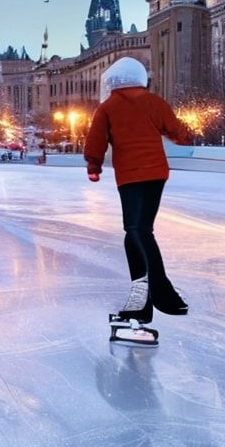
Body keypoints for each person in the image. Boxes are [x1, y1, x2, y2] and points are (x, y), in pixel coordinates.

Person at [83, 57, 194, 323]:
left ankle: (153, 295)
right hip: (156, 174)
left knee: (136, 230)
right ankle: (158, 295)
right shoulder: (154, 102)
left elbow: (96, 140)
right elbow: (177, 131)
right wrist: (185, 136)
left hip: (130, 177)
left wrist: (93, 165)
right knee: (138, 230)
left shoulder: (107, 107)